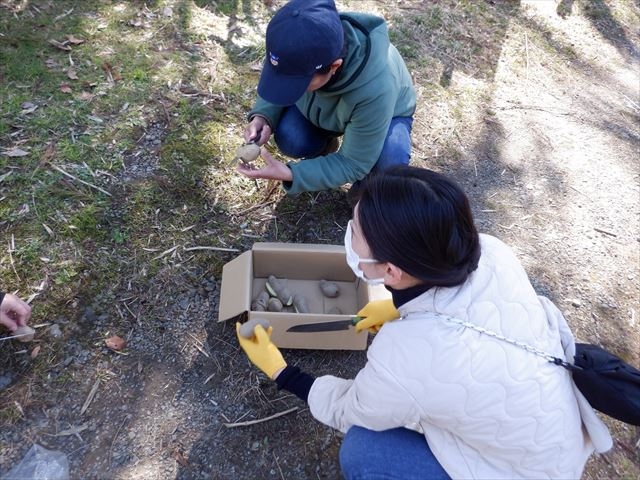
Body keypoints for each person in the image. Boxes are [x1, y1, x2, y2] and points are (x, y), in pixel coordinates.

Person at [236, 165, 613, 479]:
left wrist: (282, 372)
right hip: (554, 438)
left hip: (524, 473)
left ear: (392, 272)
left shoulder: (407, 356)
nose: (348, 234)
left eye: (355, 232)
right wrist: (398, 308)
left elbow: (349, 410)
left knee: (365, 451)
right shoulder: (492, 252)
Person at [238, 0, 416, 198]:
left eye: (297, 83)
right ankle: (325, 148)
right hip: (329, 109)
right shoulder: (299, 43)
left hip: (388, 114)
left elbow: (354, 162)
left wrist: (291, 174)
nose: (290, 86)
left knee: (388, 170)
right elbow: (282, 70)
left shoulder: (377, 88)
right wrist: (263, 115)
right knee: (292, 138)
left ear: (334, 66)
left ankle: (366, 196)